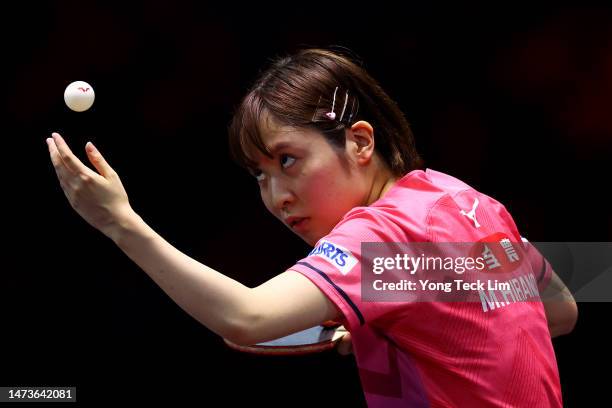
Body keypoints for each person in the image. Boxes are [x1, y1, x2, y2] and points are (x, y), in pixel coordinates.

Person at [46, 47, 577, 407]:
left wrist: (122, 224)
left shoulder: (378, 235)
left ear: (360, 142)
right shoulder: (461, 198)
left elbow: (246, 316)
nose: (277, 197)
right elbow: (561, 308)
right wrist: (412, 313)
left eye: (289, 161)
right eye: (260, 174)